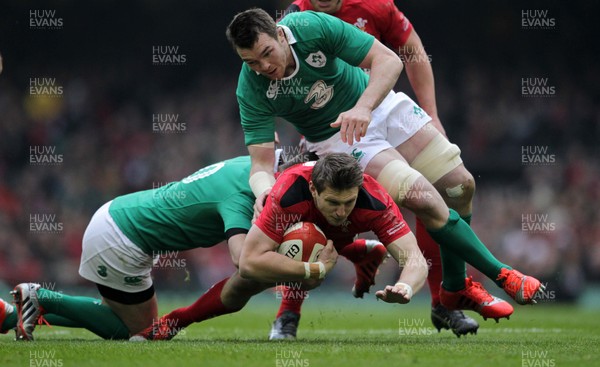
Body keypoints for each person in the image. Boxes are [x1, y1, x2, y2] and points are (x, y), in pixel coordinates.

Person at [226, 6, 544, 334]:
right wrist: (264, 190)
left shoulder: (310, 26)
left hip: (378, 102)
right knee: (423, 198)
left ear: (280, 35)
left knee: (460, 186)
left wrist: (363, 107)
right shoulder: (251, 87)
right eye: (251, 61)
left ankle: (453, 289)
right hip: (339, 138)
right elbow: (261, 163)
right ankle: (503, 273)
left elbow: (391, 59)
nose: (264, 67)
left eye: (266, 54)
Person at [0, 153, 380, 341]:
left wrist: (351, 248)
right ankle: (40, 295)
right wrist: (308, 270)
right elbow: (244, 262)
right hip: (122, 235)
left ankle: (12, 312)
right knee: (135, 331)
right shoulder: (241, 194)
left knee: (124, 320)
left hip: (121, 222)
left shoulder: (250, 170)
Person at [276, 0, 479, 337]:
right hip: (331, 136)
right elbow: (271, 80)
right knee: (317, 221)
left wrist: (432, 113)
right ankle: (287, 315)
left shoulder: (374, 5)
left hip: (379, 114)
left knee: (450, 189)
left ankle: (444, 303)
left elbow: (411, 48)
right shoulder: (293, 20)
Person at [130, 153, 430, 340]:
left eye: (348, 202)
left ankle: (290, 314)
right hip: (295, 228)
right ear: (313, 189)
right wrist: (315, 269)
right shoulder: (288, 193)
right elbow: (248, 262)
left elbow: (414, 259)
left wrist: (405, 287)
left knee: (312, 257)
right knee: (244, 284)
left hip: (325, 235)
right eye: (333, 202)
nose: (341, 211)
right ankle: (175, 321)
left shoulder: (375, 201)